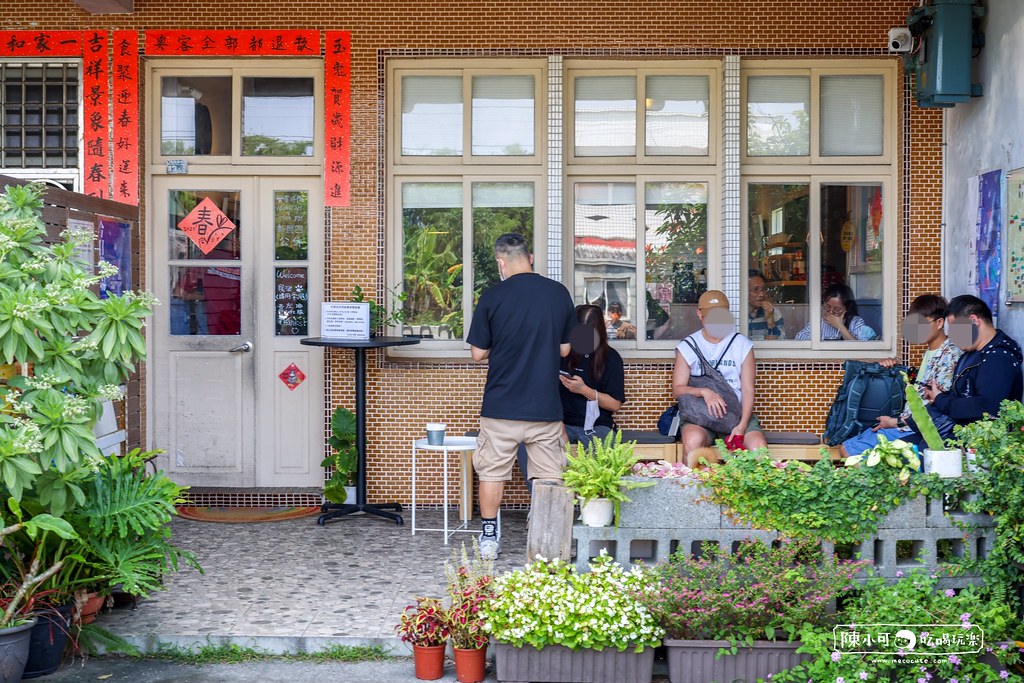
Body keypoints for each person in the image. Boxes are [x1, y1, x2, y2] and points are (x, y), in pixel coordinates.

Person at [467, 233, 575, 560]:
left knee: (491, 473)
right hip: (545, 407)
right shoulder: (558, 294)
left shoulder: (491, 296)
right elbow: (566, 349)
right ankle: (548, 540)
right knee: (551, 477)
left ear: (501, 262)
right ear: (530, 257)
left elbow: (477, 353)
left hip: (501, 406)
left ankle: (489, 538)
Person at [517, 304, 627, 489]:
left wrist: (584, 390)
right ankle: (543, 501)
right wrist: (560, 428)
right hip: (558, 422)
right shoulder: (558, 354)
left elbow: (615, 405)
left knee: (605, 447)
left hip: (595, 426)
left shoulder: (611, 358)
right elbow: (542, 395)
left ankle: (592, 504)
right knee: (526, 442)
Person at [839, 294, 962, 457]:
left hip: (920, 432)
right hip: (906, 426)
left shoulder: (950, 355)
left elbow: (937, 406)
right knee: (848, 448)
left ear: (939, 323)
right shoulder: (931, 352)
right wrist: (894, 368)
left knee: (850, 451)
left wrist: (893, 422)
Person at [907, 295, 1023, 446]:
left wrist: (941, 400)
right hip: (956, 432)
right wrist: (939, 396)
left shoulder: (999, 358)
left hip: (979, 444)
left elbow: (986, 408)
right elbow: (963, 394)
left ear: (974, 321)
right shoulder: (971, 353)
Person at [672, 290, 768, 458]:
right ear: (700, 314)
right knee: (692, 442)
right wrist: (703, 392)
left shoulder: (742, 345)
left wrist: (742, 426)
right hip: (700, 417)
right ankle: (693, 484)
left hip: (735, 416)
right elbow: (677, 390)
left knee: (758, 449)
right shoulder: (688, 346)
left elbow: (747, 390)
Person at [795, 283, 877, 341]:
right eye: (828, 306)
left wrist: (840, 326)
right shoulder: (819, 322)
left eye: (837, 309)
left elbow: (860, 349)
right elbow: (799, 338)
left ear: (847, 308)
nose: (831, 312)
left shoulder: (855, 322)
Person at [747, 270, 783, 339]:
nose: (761, 294)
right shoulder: (737, 314)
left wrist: (770, 321)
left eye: (763, 289)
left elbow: (782, 343)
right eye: (755, 289)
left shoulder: (774, 312)